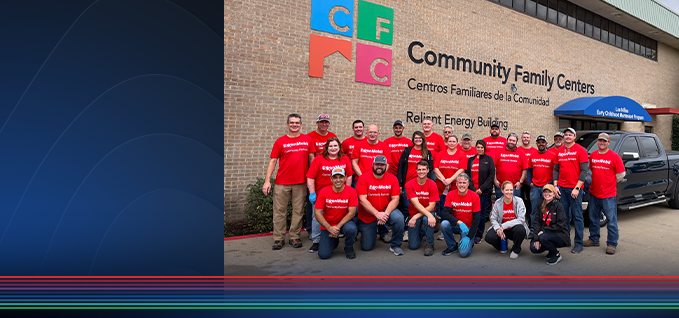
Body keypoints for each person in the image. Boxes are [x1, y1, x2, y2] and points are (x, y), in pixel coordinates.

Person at [263, 114, 315, 250]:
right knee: (279, 211)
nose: (294, 125)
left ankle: (294, 236)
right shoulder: (280, 141)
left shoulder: (307, 140)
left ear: (301, 124)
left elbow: (312, 160)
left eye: (297, 123)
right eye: (292, 122)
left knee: (298, 211)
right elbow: (273, 161)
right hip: (282, 182)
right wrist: (267, 181)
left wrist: (314, 179)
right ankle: (279, 238)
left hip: (301, 182)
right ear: (287, 124)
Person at [306, 137, 353, 253]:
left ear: (339, 147)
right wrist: (312, 193)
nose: (333, 148)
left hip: (340, 194)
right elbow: (310, 176)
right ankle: (316, 241)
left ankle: (337, 234)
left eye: (335, 146)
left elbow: (349, 176)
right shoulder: (319, 159)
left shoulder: (345, 159)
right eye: (330, 146)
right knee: (317, 217)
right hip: (321, 195)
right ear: (326, 147)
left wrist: (348, 190)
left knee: (341, 215)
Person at [584, 133, 625, 255]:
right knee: (593, 219)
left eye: (604, 141)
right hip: (594, 193)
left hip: (608, 195)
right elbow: (591, 171)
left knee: (611, 220)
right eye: (600, 140)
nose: (602, 143)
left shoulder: (614, 157)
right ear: (597, 141)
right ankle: (594, 239)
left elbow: (621, 175)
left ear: (608, 142)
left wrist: (609, 183)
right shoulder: (594, 155)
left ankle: (612, 244)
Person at [356, 155, 405, 256]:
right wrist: (377, 214)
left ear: (386, 166)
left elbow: (396, 199)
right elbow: (362, 199)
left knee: (399, 218)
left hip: (386, 209)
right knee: (367, 247)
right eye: (377, 164)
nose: (379, 167)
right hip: (369, 214)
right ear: (373, 165)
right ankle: (370, 231)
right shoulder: (364, 177)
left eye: (382, 165)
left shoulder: (392, 178)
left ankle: (395, 245)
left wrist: (385, 214)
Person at [553, 127, 589, 254]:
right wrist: (556, 186)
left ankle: (579, 243)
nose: (567, 137)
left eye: (570, 135)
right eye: (566, 135)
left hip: (575, 190)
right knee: (564, 217)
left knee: (577, 216)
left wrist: (577, 188)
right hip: (562, 188)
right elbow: (556, 169)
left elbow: (584, 171)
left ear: (574, 137)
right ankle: (566, 240)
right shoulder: (559, 151)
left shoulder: (581, 150)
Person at [397, 131, 434, 241]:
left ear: (423, 139)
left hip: (422, 185)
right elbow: (400, 167)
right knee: (406, 208)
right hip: (408, 184)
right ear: (413, 139)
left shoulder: (427, 152)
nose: (417, 140)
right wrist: (400, 184)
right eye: (415, 138)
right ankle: (407, 230)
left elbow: (430, 168)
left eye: (419, 138)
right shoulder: (407, 151)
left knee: (419, 207)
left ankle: (420, 229)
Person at [305, 114, 338, 237]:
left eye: (326, 122)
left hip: (329, 175)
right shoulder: (310, 137)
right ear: (317, 123)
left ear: (328, 123)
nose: (324, 124)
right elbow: (311, 156)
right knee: (312, 206)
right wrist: (315, 171)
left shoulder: (332, 136)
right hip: (315, 175)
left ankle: (328, 228)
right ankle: (311, 230)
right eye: (321, 122)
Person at [314, 167, 358, 260]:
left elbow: (352, 213)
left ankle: (349, 247)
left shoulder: (351, 191)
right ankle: (334, 240)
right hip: (328, 225)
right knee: (323, 255)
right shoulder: (324, 191)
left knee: (351, 229)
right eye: (335, 177)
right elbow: (317, 212)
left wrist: (337, 227)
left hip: (345, 223)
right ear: (331, 179)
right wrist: (329, 228)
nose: (338, 180)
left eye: (341, 177)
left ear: (345, 178)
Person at [484, 181, 529, 259]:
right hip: (502, 229)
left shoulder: (519, 201)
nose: (509, 192)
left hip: (514, 229)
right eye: (507, 190)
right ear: (502, 190)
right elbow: (493, 218)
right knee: (489, 237)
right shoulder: (498, 203)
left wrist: (503, 226)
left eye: (511, 190)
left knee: (521, 229)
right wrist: (498, 228)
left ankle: (516, 248)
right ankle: (502, 244)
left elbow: (521, 219)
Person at [440, 173, 481, 258]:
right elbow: (445, 214)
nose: (462, 185)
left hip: (469, 228)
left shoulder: (475, 196)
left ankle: (470, 241)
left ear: (468, 184)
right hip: (457, 225)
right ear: (456, 184)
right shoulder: (450, 194)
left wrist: (469, 236)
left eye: (464, 183)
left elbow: (477, 219)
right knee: (444, 224)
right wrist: (459, 222)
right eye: (460, 182)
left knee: (463, 253)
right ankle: (452, 246)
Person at [530, 184, 570, 265]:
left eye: (550, 192)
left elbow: (560, 225)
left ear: (554, 194)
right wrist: (537, 239)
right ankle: (551, 251)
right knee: (533, 248)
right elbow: (536, 222)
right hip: (546, 233)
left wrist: (544, 231)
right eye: (545, 192)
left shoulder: (558, 206)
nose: (547, 194)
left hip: (560, 235)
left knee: (543, 237)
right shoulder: (540, 204)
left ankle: (556, 254)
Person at [405, 161, 439, 256]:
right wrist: (415, 217)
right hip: (414, 212)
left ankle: (430, 244)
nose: (421, 171)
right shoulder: (409, 184)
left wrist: (417, 217)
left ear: (428, 170)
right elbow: (416, 204)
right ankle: (423, 231)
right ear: (416, 171)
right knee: (413, 246)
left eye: (424, 169)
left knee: (427, 218)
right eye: (419, 169)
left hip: (428, 212)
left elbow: (432, 206)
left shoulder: (432, 184)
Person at [527, 135, 557, 238]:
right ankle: (533, 230)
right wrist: (529, 181)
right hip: (535, 186)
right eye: (539, 142)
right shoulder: (532, 155)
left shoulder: (552, 155)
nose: (541, 144)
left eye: (543, 142)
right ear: (536, 144)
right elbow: (529, 170)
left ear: (546, 144)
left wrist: (552, 183)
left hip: (547, 187)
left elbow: (555, 171)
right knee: (534, 209)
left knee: (547, 210)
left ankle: (546, 230)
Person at [467, 140, 495, 243]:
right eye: (478, 147)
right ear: (475, 147)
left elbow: (491, 176)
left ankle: (480, 234)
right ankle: (472, 232)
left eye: (482, 147)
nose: (480, 149)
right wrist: (473, 189)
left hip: (484, 192)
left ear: (485, 148)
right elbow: (468, 176)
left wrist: (481, 189)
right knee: (472, 213)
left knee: (482, 214)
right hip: (472, 191)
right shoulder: (471, 160)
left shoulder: (489, 160)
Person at [434, 134, 465, 225]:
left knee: (454, 209)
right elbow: (435, 168)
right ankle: (443, 228)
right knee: (442, 208)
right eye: (450, 141)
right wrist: (444, 180)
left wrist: (450, 180)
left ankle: (454, 226)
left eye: (453, 141)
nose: (451, 143)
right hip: (441, 188)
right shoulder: (440, 154)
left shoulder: (461, 155)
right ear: (447, 143)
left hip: (454, 188)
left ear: (457, 143)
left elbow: (461, 169)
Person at [493, 133, 528, 199]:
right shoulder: (499, 152)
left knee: (515, 206)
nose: (511, 142)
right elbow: (494, 167)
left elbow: (525, 169)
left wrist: (520, 182)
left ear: (516, 142)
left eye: (513, 141)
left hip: (515, 186)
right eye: (510, 140)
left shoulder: (521, 154)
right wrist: (495, 180)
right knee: (500, 206)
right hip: (501, 185)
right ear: (507, 140)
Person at [517, 131, 537, 229]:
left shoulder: (534, 151)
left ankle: (531, 225)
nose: (526, 139)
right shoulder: (517, 150)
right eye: (524, 137)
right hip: (519, 182)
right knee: (519, 203)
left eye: (527, 137)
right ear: (521, 139)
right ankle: (520, 224)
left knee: (530, 203)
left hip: (531, 183)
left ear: (530, 139)